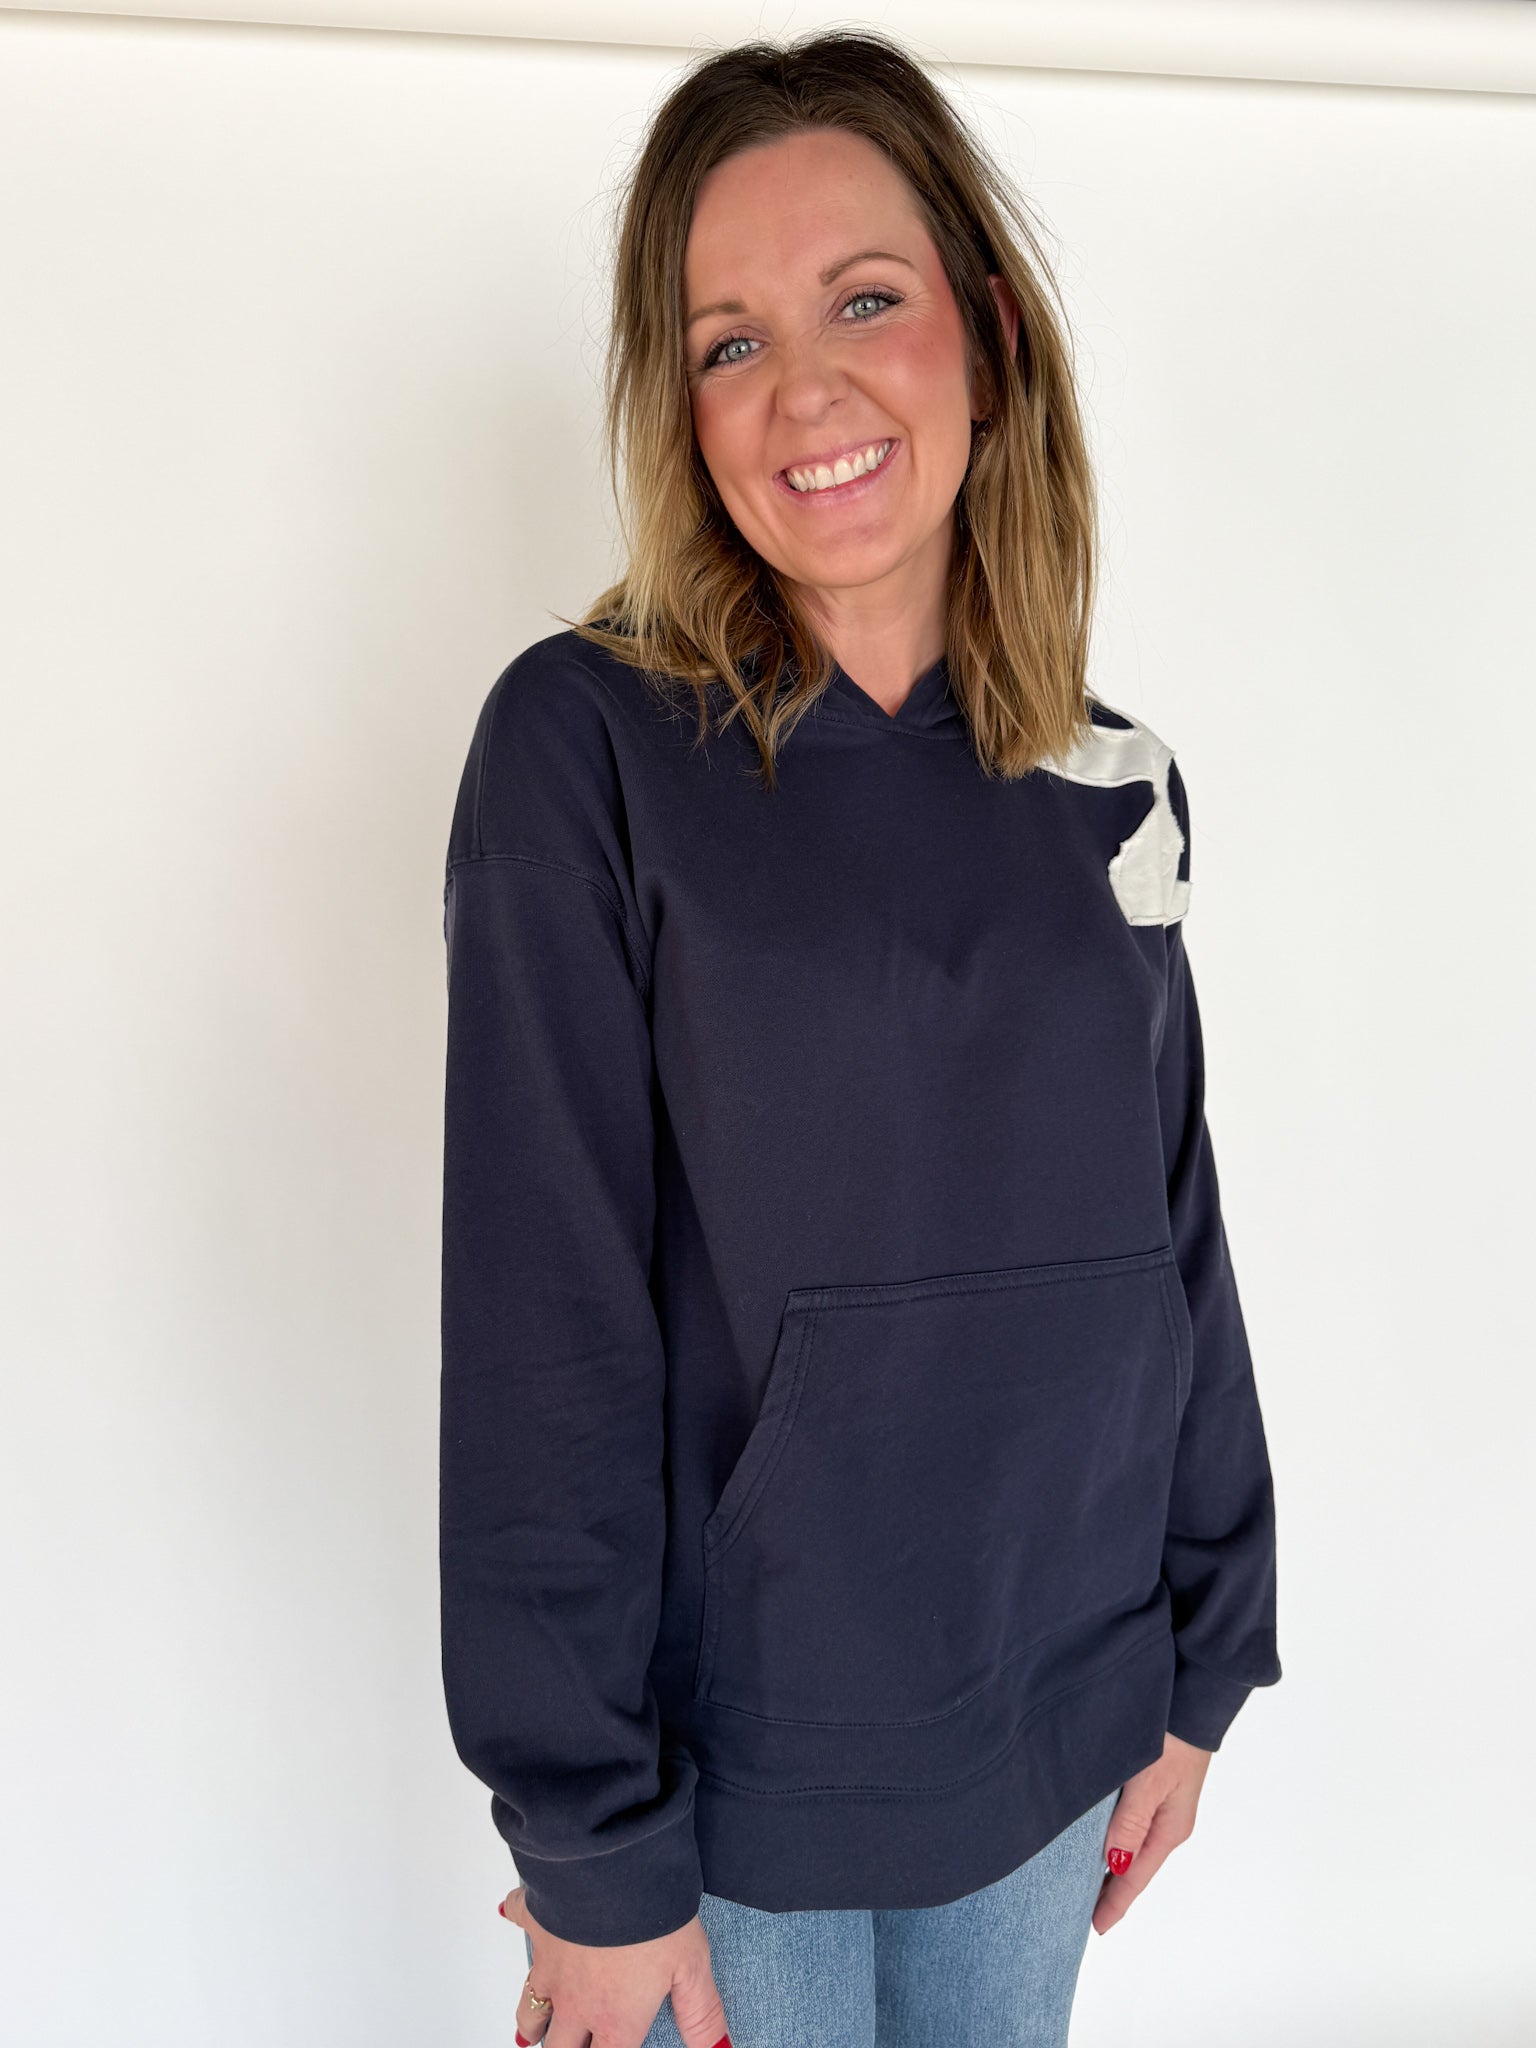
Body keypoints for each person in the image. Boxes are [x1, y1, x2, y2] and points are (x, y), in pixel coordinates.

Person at [439, 29, 1282, 2048]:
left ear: (988, 337)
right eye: (727, 343)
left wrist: (1203, 1658)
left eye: (866, 301)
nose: (803, 389)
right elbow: (548, 1330)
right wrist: (594, 1848)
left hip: (1065, 1731)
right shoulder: (585, 749)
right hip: (739, 1803)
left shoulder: (1109, 778)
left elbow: (1171, 1237)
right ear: (683, 411)